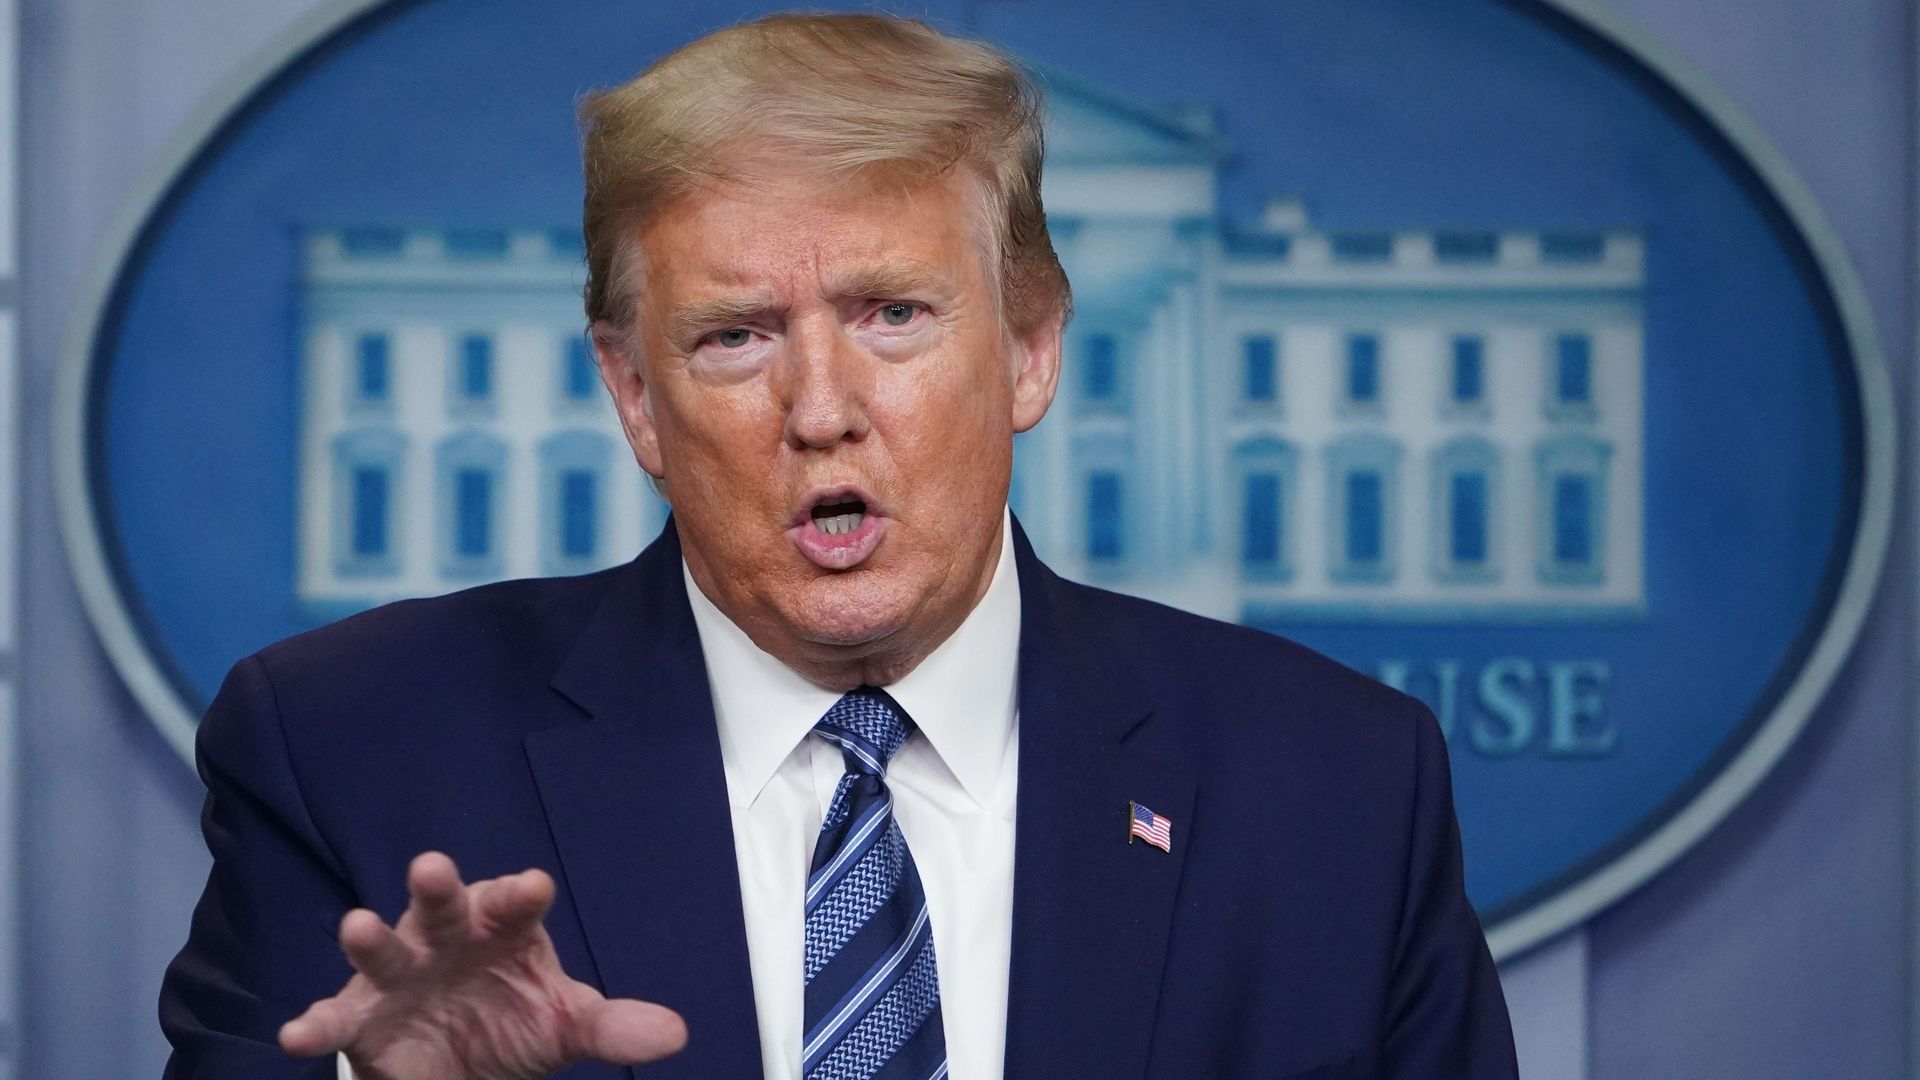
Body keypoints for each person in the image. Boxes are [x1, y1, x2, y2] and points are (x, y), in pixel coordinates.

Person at [159, 12, 1517, 1080]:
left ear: (1031, 349)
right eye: (735, 336)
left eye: (893, 315)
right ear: (635, 396)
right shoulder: (351, 753)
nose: (821, 410)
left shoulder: (1338, 785)